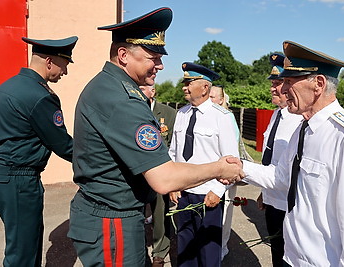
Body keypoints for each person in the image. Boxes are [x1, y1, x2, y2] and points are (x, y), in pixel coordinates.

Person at [67, 8, 242, 267]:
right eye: (153, 57)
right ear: (123, 55)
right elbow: (163, 178)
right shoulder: (121, 100)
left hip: (115, 214)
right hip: (112, 220)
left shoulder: (112, 88)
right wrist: (219, 168)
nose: (160, 65)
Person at [226, 40, 344, 266]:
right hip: (293, 257)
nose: (284, 89)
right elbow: (282, 178)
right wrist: (240, 167)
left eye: (289, 81)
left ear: (318, 84)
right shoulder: (303, 128)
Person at [0, 36, 78, 266]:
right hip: (20, 180)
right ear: (50, 61)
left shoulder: (7, 87)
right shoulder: (40, 96)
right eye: (65, 64)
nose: (65, 72)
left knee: (17, 247)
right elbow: (63, 144)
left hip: (3, 176)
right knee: (23, 253)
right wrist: (98, 160)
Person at [169, 63, 240, 267]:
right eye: (184, 82)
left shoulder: (222, 117)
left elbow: (231, 160)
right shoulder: (181, 114)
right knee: (185, 247)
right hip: (183, 193)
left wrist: (218, 190)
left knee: (208, 252)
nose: (184, 86)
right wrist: (174, 185)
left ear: (205, 88)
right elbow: (173, 153)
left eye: (189, 82)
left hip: (208, 195)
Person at [254, 53, 302, 267]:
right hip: (273, 198)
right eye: (272, 83)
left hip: (290, 204)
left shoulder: (300, 120)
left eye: (278, 83)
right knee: (276, 253)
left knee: (289, 258)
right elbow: (272, 159)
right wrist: (264, 192)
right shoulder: (276, 115)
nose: (272, 88)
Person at [140, 85, 176, 267]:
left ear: (153, 91)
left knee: (160, 212)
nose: (139, 90)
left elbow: (175, 143)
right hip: (138, 171)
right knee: (137, 212)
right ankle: (138, 248)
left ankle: (160, 252)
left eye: (143, 88)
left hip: (161, 171)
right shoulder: (132, 109)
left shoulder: (169, 113)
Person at [208, 85, 238, 260]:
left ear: (221, 100)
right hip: (209, 174)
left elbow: (231, 153)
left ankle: (222, 247)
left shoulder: (227, 118)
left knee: (225, 212)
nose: (210, 100)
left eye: (213, 97)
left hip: (225, 175)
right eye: (208, 96)